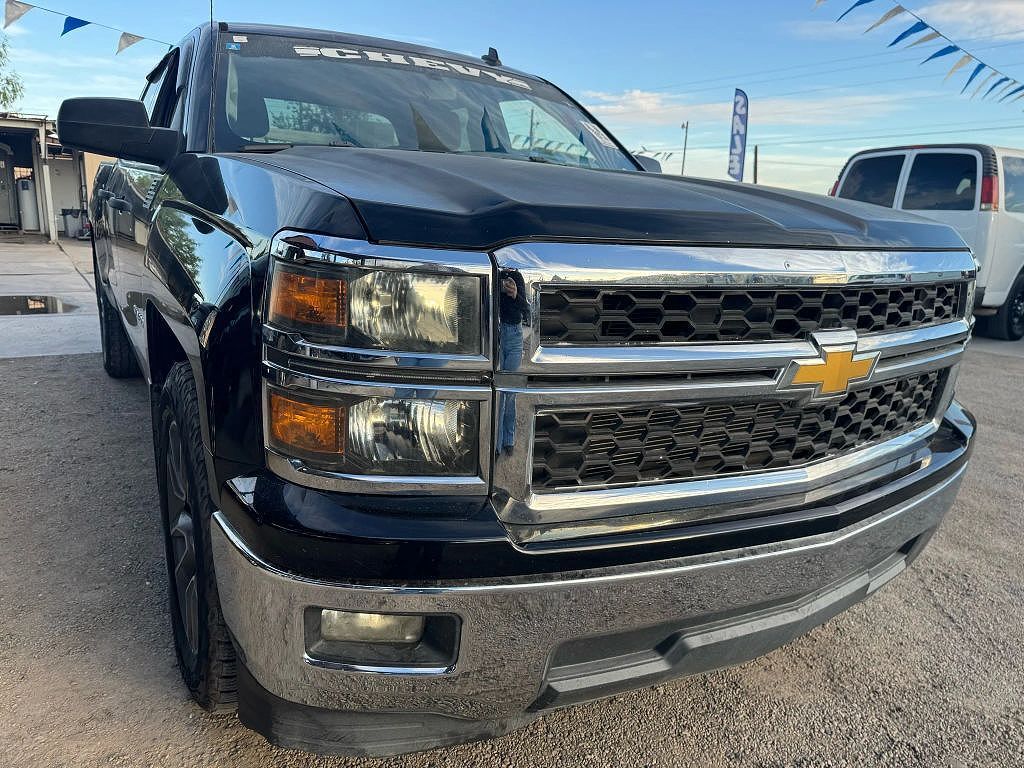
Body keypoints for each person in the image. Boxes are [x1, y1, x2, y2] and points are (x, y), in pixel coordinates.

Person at [497, 269, 529, 454]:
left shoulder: (517, 277)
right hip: (500, 333)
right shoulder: (496, 274)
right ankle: (498, 444)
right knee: (502, 392)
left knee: (509, 392)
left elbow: (525, 308)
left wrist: (515, 294)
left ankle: (507, 440)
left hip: (516, 336)